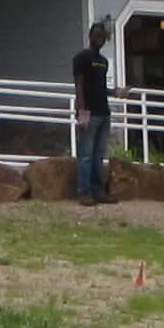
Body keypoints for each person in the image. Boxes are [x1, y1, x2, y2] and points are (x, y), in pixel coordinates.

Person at [70, 16, 114, 204]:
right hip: (89, 112)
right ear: (90, 36)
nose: (100, 39)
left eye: (103, 37)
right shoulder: (81, 58)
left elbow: (102, 87)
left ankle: (99, 190)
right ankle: (84, 191)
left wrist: (117, 92)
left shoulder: (104, 62)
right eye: (97, 35)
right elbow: (79, 85)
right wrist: (82, 111)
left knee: (99, 154)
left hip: (104, 112)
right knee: (86, 154)